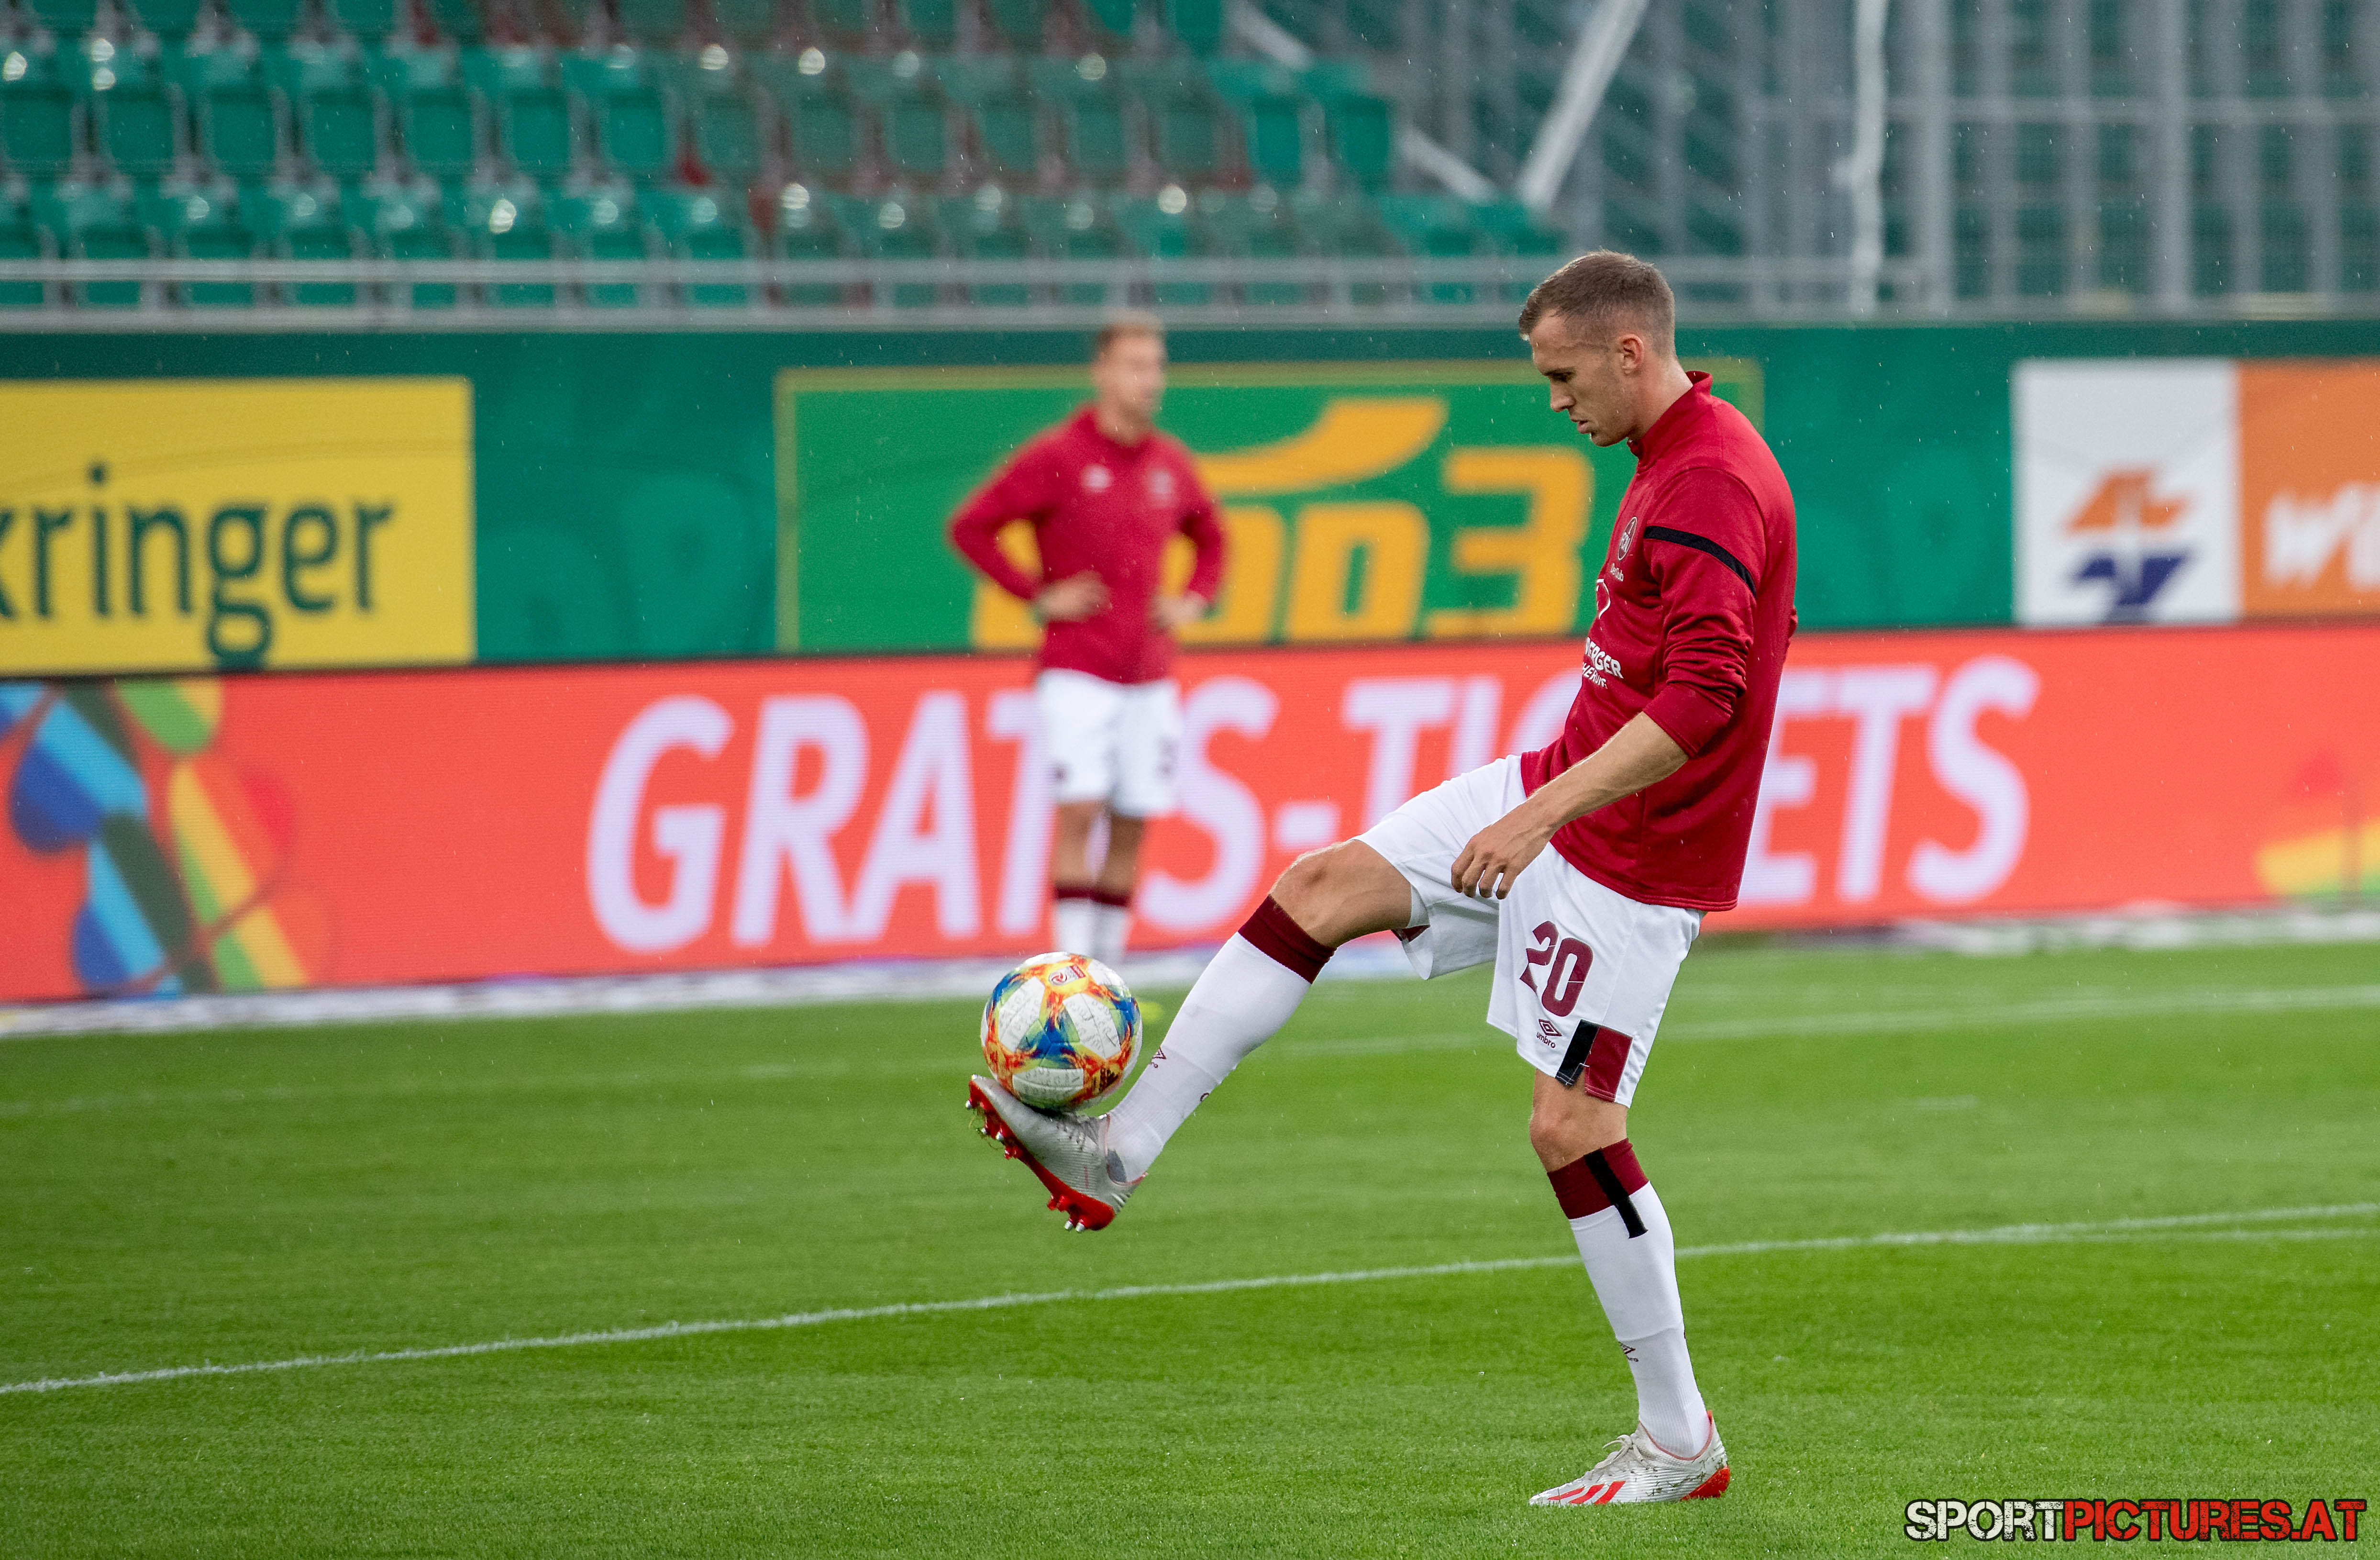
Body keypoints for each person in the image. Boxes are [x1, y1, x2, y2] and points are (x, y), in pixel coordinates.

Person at [968, 253, 1798, 1508]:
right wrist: (1539, 801)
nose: (1554, 403)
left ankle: (1678, 1436)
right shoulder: (1674, 460)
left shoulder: (1709, 482)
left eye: (1563, 377)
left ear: (1631, 353)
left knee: (1573, 1127)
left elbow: (1702, 698)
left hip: (1632, 856)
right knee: (1321, 885)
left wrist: (1536, 820)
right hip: (1560, 789)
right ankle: (1117, 1149)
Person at [948, 315, 1226, 970]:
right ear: (1101, 371)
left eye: (1156, 365)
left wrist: (1194, 598)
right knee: (1080, 810)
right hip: (1078, 668)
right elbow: (974, 526)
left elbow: (1211, 536)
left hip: (1150, 674)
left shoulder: (1168, 462)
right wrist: (1034, 594)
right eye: (1135, 365)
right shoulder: (1059, 456)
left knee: (1133, 822)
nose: (1149, 379)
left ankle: (1108, 975)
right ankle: (1066, 976)